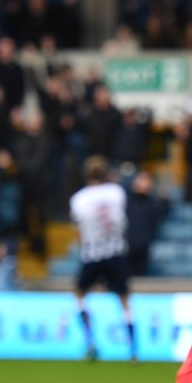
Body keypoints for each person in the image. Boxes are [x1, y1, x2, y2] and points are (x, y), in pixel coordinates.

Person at [69, 155, 135, 362]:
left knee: (80, 293)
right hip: (115, 252)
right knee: (124, 300)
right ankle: (133, 350)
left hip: (92, 254)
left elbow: (79, 230)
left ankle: (91, 342)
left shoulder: (79, 198)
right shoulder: (116, 192)